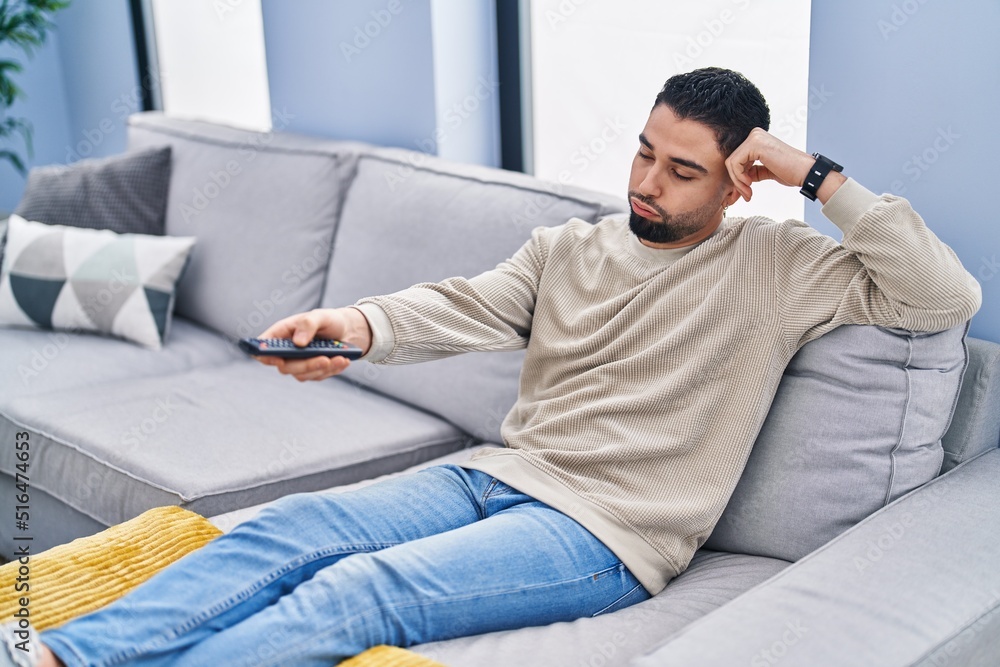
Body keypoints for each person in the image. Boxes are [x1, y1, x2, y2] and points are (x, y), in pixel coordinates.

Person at [5, 67, 980, 667]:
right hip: (493, 477)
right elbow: (461, 304)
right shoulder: (573, 247)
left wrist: (815, 176)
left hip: (607, 533)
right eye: (643, 152)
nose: (645, 181)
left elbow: (941, 297)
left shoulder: (781, 265)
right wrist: (353, 322)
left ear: (739, 179)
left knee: (355, 594)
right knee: (291, 530)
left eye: (681, 169)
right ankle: (54, 650)